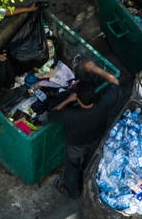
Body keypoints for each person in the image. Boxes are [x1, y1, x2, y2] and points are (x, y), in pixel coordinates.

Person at [45, 59, 125, 199]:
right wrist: (94, 68)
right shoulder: (102, 104)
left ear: (79, 100)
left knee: (72, 167)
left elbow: (51, 115)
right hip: (95, 140)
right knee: (90, 163)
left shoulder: (71, 115)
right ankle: (87, 180)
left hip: (76, 146)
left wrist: (68, 100)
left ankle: (72, 191)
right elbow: (114, 81)